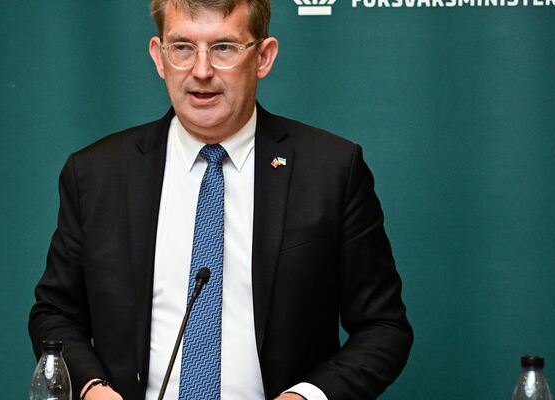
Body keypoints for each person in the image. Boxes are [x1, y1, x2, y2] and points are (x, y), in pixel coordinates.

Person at [28, 0, 413, 399]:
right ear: (159, 57)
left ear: (263, 57)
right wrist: (93, 390)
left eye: (224, 47)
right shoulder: (96, 174)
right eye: (182, 48)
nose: (201, 71)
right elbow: (55, 314)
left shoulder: (331, 170)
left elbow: (384, 328)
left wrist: (307, 397)